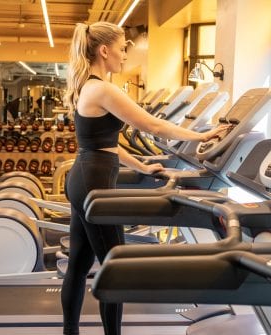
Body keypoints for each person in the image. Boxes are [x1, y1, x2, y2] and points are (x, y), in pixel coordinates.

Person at [61, 21, 230, 335]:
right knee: (118, 269)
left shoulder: (91, 86)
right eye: (123, 47)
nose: (125, 54)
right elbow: (154, 127)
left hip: (85, 177)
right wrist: (203, 134)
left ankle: (70, 331)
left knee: (79, 265)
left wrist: (141, 166)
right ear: (104, 50)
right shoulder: (103, 89)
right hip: (93, 184)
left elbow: (103, 144)